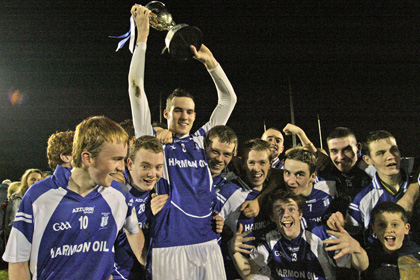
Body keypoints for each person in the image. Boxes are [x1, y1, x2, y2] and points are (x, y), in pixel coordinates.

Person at [128, 5, 236, 279]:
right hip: (169, 246)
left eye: (189, 111)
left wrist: (210, 63)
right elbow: (136, 88)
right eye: (178, 110)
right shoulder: (153, 143)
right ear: (166, 113)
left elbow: (228, 100)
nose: (184, 116)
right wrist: (142, 38)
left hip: (208, 242)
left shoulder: (203, 141)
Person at [3, 116, 144, 280]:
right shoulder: (38, 196)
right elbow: (18, 261)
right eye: (116, 159)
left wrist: (152, 266)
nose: (121, 167)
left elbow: (134, 231)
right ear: (87, 158)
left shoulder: (119, 193)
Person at [231, 189, 369, 280]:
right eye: (279, 211)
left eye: (291, 209)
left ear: (300, 214)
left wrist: (357, 249)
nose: (285, 215)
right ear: (272, 218)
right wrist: (233, 249)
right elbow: (248, 273)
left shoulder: (318, 235)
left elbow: (362, 266)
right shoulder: (271, 238)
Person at [112, 135, 168, 280]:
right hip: (121, 275)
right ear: (130, 164)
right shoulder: (115, 189)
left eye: (158, 167)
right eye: (145, 166)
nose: (152, 174)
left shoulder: (163, 190)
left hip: (151, 272)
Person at [362, 202, 420, 279]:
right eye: (382, 225)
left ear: (406, 228)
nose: (388, 230)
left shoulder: (416, 256)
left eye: (395, 225)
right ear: (373, 228)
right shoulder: (368, 255)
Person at [283, 148, 336, 228]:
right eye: (287, 173)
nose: (291, 181)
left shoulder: (329, 185)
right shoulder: (278, 189)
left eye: (299, 174)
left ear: (313, 176)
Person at [4, 169, 42, 240]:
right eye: (33, 179)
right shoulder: (18, 197)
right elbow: (14, 222)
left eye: (39, 180)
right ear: (26, 181)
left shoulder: (37, 198)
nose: (36, 182)